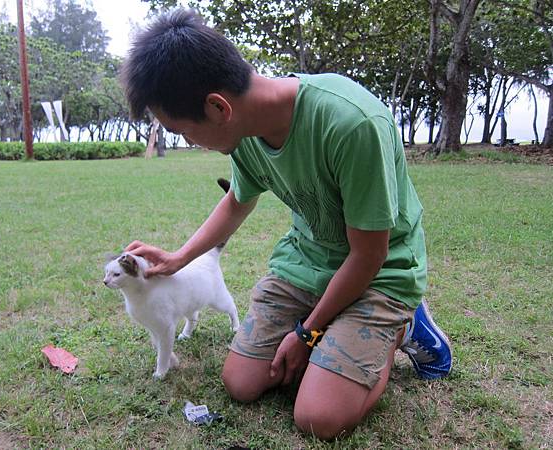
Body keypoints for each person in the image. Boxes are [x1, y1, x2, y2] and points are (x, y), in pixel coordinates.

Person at [121, 8, 452, 440]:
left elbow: (369, 253)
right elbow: (237, 200)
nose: (189, 143)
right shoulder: (244, 132)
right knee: (241, 383)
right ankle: (343, 333)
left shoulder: (351, 124)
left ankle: (401, 325)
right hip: (308, 265)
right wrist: (179, 258)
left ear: (218, 107)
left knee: (318, 418)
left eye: (182, 131)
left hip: (379, 272)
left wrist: (308, 332)